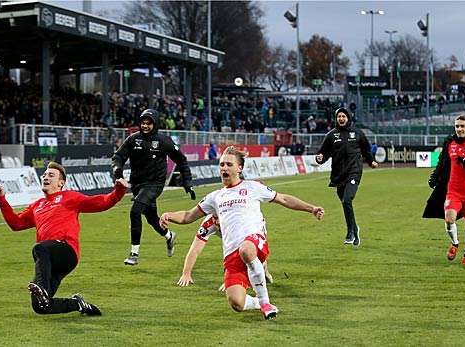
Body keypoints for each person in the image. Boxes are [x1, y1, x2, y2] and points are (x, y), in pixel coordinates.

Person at [159, 146, 324, 320]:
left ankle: (265, 302)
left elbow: (283, 198)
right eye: (222, 164)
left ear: (239, 168)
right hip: (231, 253)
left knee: (246, 249)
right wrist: (169, 215)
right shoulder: (214, 197)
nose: (224, 168)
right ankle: (259, 303)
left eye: (229, 164)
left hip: (254, 241)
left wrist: (310, 208)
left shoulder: (253, 187)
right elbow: (188, 216)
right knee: (237, 303)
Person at [0, 162, 128, 315]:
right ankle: (79, 304)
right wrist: (1, 199)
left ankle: (42, 288)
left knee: (39, 247)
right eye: (44, 175)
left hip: (66, 251)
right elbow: (16, 224)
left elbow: (102, 202)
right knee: (41, 306)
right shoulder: (37, 205)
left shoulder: (69, 197)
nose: (45, 177)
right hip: (49, 260)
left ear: (61, 182)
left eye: (51, 175)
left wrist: (120, 190)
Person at [112, 108, 196, 266]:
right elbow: (118, 156)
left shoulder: (164, 141)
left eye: (148, 123)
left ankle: (134, 253)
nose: (145, 126)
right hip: (137, 184)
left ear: (155, 124)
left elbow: (181, 160)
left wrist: (187, 183)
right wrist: (118, 171)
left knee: (135, 210)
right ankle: (169, 236)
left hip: (155, 184)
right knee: (151, 219)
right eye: (143, 123)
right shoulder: (133, 139)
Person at [423, 115, 465, 265]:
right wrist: (435, 176)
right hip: (453, 191)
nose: (459, 129)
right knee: (449, 219)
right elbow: (443, 162)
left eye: (462, 126)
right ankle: (454, 243)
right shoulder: (450, 143)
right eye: (457, 126)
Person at [315, 107, 378, 246]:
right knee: (345, 202)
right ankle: (355, 229)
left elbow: (366, 149)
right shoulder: (331, 135)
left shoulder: (358, 133)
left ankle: (350, 232)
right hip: (338, 175)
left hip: (354, 171)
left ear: (348, 118)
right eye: (339, 117)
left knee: (347, 199)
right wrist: (319, 158)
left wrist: (371, 161)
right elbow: (324, 153)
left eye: (344, 116)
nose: (341, 119)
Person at [176, 214, 274, 290]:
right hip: (232, 233)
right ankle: (262, 270)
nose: (218, 223)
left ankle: (263, 273)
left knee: (253, 252)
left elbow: (236, 252)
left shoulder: (239, 222)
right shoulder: (208, 224)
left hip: (254, 224)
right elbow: (195, 249)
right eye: (216, 219)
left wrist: (233, 280)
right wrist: (186, 273)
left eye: (221, 219)